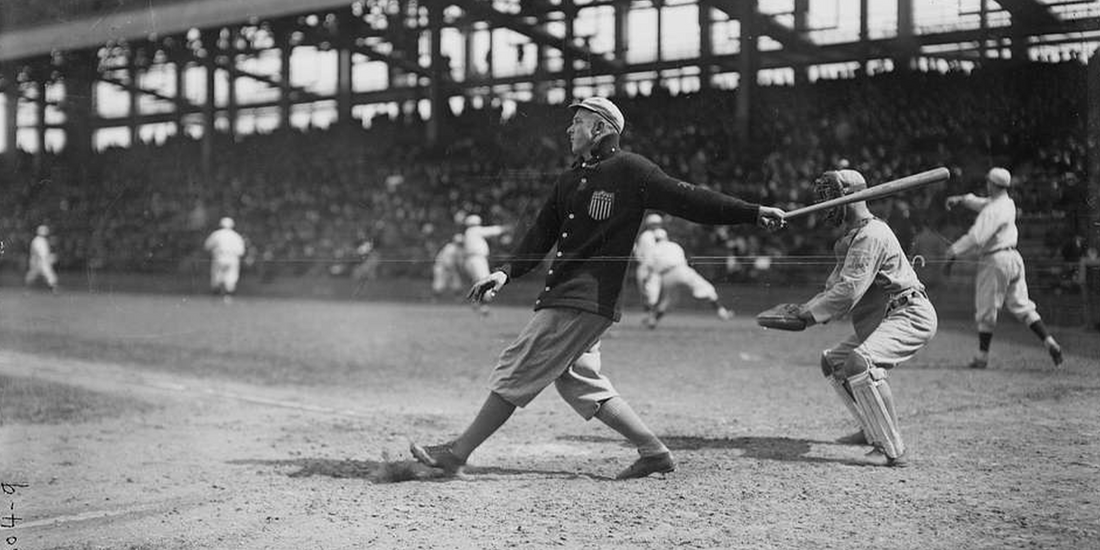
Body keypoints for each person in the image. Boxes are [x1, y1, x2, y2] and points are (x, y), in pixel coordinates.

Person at [409, 97, 786, 480]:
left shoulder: (631, 169)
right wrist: (505, 272)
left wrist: (752, 212)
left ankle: (457, 453)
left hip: (581, 299)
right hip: (574, 298)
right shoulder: (569, 179)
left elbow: (690, 199)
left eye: (579, 122)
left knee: (518, 365)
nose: (570, 129)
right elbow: (540, 235)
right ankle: (654, 452)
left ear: (601, 129)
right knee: (578, 381)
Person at [786, 169, 938, 468]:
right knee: (834, 362)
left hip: (909, 313)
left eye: (832, 198)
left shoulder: (872, 234)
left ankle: (892, 448)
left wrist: (809, 315)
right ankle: (871, 427)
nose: (827, 206)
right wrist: (804, 307)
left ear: (852, 198)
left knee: (859, 363)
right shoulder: (853, 238)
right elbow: (834, 287)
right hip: (885, 316)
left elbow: (848, 291)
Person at [944, 167, 1063, 369]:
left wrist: (953, 251)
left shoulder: (992, 210)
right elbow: (981, 202)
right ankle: (1049, 341)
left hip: (995, 261)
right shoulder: (1007, 203)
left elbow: (976, 238)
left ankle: (982, 356)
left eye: (988, 182)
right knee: (1022, 304)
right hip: (1014, 258)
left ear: (992, 184)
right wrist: (962, 199)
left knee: (986, 309)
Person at [642, 228, 734, 328]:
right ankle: (722, 312)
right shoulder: (674, 245)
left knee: (669, 300)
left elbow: (650, 267)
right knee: (706, 288)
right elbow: (683, 260)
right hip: (681, 270)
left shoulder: (653, 249)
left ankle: (653, 320)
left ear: (655, 239)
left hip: (666, 276)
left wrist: (647, 279)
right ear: (666, 237)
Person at [462, 214, 509, 315]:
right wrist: (503, 228)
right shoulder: (474, 230)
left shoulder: (468, 233)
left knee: (478, 281)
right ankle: (484, 306)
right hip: (477, 259)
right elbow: (490, 231)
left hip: (471, 260)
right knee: (486, 280)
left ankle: (476, 303)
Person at [203, 217, 246, 303]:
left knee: (216, 278)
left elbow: (207, 246)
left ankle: (215, 299)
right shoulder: (236, 236)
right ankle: (228, 299)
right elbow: (241, 251)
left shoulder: (216, 234)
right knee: (231, 278)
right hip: (232, 258)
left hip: (219, 257)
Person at [632, 213, 663, 307]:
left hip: (655, 267)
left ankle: (651, 313)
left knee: (652, 292)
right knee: (647, 292)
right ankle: (650, 313)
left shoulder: (660, 234)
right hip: (646, 266)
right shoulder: (646, 236)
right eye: (654, 223)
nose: (656, 226)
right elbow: (639, 253)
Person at [431, 233, 466, 301]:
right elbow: (447, 261)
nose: (460, 243)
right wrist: (450, 269)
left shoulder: (459, 249)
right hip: (442, 268)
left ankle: (458, 299)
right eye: (459, 242)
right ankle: (434, 299)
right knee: (439, 284)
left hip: (450, 268)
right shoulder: (450, 248)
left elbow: (459, 261)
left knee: (456, 283)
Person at [25, 224, 58, 292]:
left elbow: (44, 253)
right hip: (39, 261)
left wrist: (49, 257)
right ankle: (54, 289)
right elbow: (38, 252)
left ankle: (54, 289)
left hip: (40, 261)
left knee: (47, 275)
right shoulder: (37, 240)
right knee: (46, 274)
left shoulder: (42, 240)